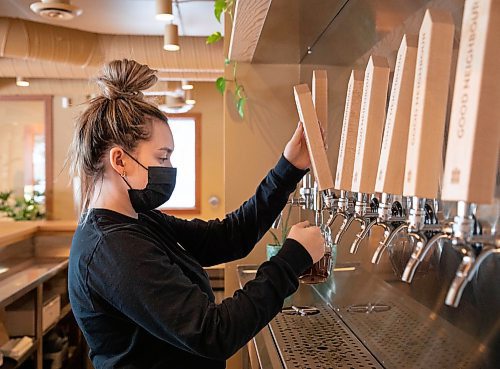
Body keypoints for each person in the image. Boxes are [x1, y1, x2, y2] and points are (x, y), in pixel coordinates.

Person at [68, 59, 325, 369]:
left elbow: (228, 237)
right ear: (119, 160)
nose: (169, 169)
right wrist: (291, 260)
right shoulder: (112, 248)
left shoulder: (139, 219)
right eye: (162, 157)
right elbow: (213, 333)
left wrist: (288, 169)